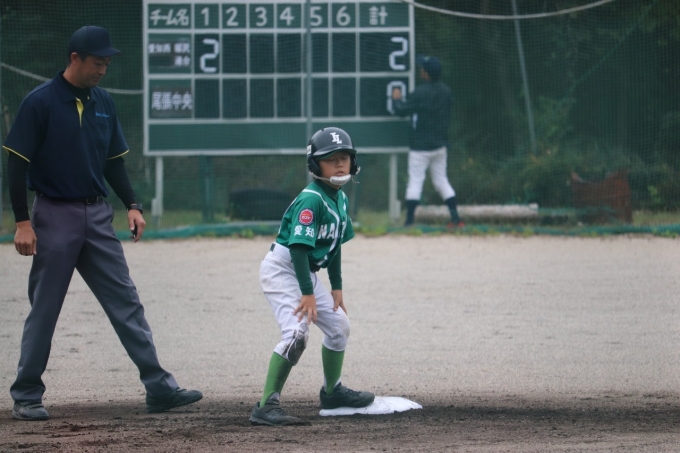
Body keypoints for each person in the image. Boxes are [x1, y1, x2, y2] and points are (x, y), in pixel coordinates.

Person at [2, 25, 202, 421]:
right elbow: (16, 163)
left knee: (125, 301)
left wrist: (132, 204)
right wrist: (22, 221)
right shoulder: (40, 102)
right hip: (53, 214)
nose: (102, 70)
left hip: (97, 216)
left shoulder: (104, 102)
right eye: (97, 63)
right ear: (75, 58)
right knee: (46, 307)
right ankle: (26, 394)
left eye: (107, 64)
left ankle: (159, 388)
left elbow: (113, 162)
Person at [250, 127, 374, 426]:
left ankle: (332, 393)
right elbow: (298, 249)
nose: (339, 164)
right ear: (315, 166)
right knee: (297, 333)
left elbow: (335, 245)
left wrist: (337, 286)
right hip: (283, 269)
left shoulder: (339, 198)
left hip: (303, 270)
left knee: (339, 326)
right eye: (330, 159)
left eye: (344, 157)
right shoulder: (312, 200)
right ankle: (266, 406)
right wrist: (307, 293)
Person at [391, 55, 464, 228]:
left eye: (422, 68)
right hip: (440, 145)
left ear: (426, 73)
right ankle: (456, 219)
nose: (420, 70)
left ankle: (409, 222)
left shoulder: (420, 92)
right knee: (442, 182)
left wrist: (396, 99)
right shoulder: (446, 91)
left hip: (420, 147)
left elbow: (401, 111)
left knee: (415, 182)